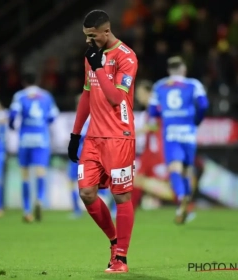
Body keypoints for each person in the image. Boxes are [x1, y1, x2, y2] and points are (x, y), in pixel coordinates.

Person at [67, 10, 138, 273]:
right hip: (94, 137)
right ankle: (113, 241)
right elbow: (87, 95)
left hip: (120, 136)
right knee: (86, 193)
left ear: (106, 32)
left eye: (92, 36)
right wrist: (76, 134)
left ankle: (122, 258)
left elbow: (116, 99)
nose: (88, 41)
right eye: (86, 36)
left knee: (121, 196)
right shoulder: (92, 56)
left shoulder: (126, 57)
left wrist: (98, 65)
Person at [148, 56, 208, 224]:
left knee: (175, 168)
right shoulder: (194, 84)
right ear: (183, 70)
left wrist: (166, 116)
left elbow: (152, 110)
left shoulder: (159, 86)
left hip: (171, 132)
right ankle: (187, 207)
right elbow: (203, 104)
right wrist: (196, 120)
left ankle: (182, 198)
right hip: (188, 132)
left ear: (169, 71)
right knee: (187, 170)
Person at [9, 73, 59, 222]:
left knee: (24, 174)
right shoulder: (46, 96)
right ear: (37, 81)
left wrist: (12, 126)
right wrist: (43, 123)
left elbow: (13, 114)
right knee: (40, 171)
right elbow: (53, 115)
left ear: (24, 82)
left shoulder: (19, 96)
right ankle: (40, 199)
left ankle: (26, 210)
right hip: (41, 138)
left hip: (25, 138)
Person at [133, 81, 167, 209]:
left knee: (142, 181)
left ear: (148, 93)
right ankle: (128, 210)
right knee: (137, 180)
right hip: (149, 151)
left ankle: (184, 203)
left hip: (157, 151)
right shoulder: (149, 110)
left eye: (140, 93)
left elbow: (154, 126)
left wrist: (133, 133)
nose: (138, 97)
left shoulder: (156, 107)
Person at [67, 94, 90, 219]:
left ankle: (77, 210)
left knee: (75, 182)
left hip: (85, 153)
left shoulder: (89, 118)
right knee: (72, 181)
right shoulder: (80, 118)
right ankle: (76, 209)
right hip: (82, 152)